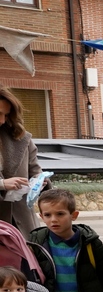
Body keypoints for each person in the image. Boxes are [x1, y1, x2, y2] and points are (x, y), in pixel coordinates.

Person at [0, 86, 43, 234]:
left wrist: (39, 180)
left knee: (30, 257)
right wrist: (2, 184)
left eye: (6, 115)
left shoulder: (21, 138)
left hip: (23, 224)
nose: (2, 120)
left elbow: (35, 171)